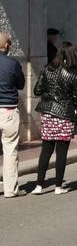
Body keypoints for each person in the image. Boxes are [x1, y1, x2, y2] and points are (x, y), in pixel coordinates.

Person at [32, 42, 77, 195]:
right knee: (61, 152)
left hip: (48, 114)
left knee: (46, 150)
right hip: (65, 115)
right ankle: (58, 187)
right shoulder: (74, 75)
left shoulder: (47, 69)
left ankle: (39, 185)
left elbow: (37, 90)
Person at [0, 32, 26, 198]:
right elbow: (21, 84)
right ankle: (10, 189)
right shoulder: (12, 63)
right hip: (8, 110)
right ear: (7, 45)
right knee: (10, 151)